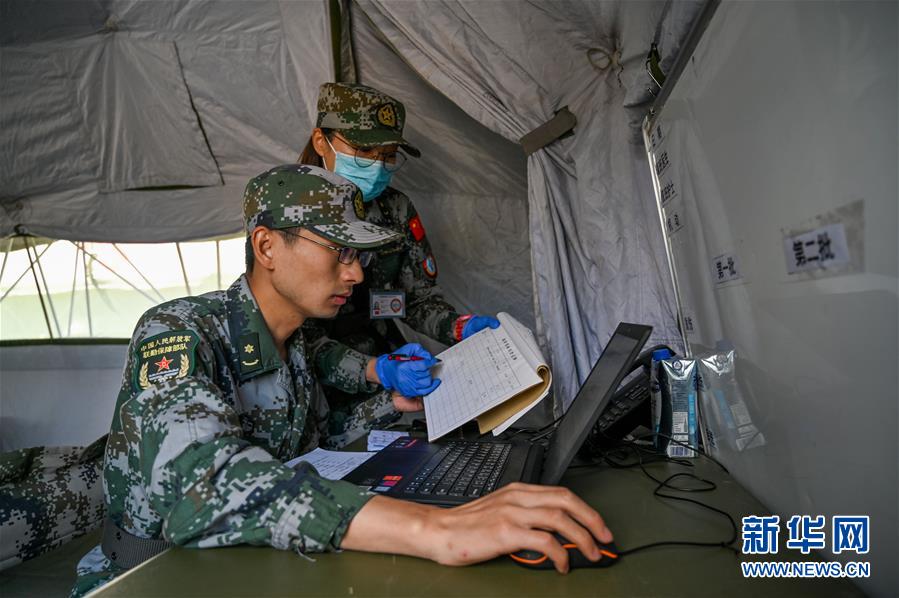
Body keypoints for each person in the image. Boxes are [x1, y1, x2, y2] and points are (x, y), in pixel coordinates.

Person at [71, 165, 613, 596]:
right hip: (160, 575)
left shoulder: (301, 341)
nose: (354, 274)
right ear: (266, 248)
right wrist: (435, 529)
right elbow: (202, 485)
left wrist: (399, 405)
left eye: (357, 256)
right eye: (338, 251)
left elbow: (320, 444)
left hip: (259, 557)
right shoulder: (178, 331)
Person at [298, 82, 500, 425]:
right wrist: (375, 370)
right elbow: (295, 336)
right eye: (364, 151)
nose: (377, 166)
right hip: (309, 385)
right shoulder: (288, 212)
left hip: (384, 376)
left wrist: (459, 327)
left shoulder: (395, 209)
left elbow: (414, 300)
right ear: (322, 142)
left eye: (388, 155)